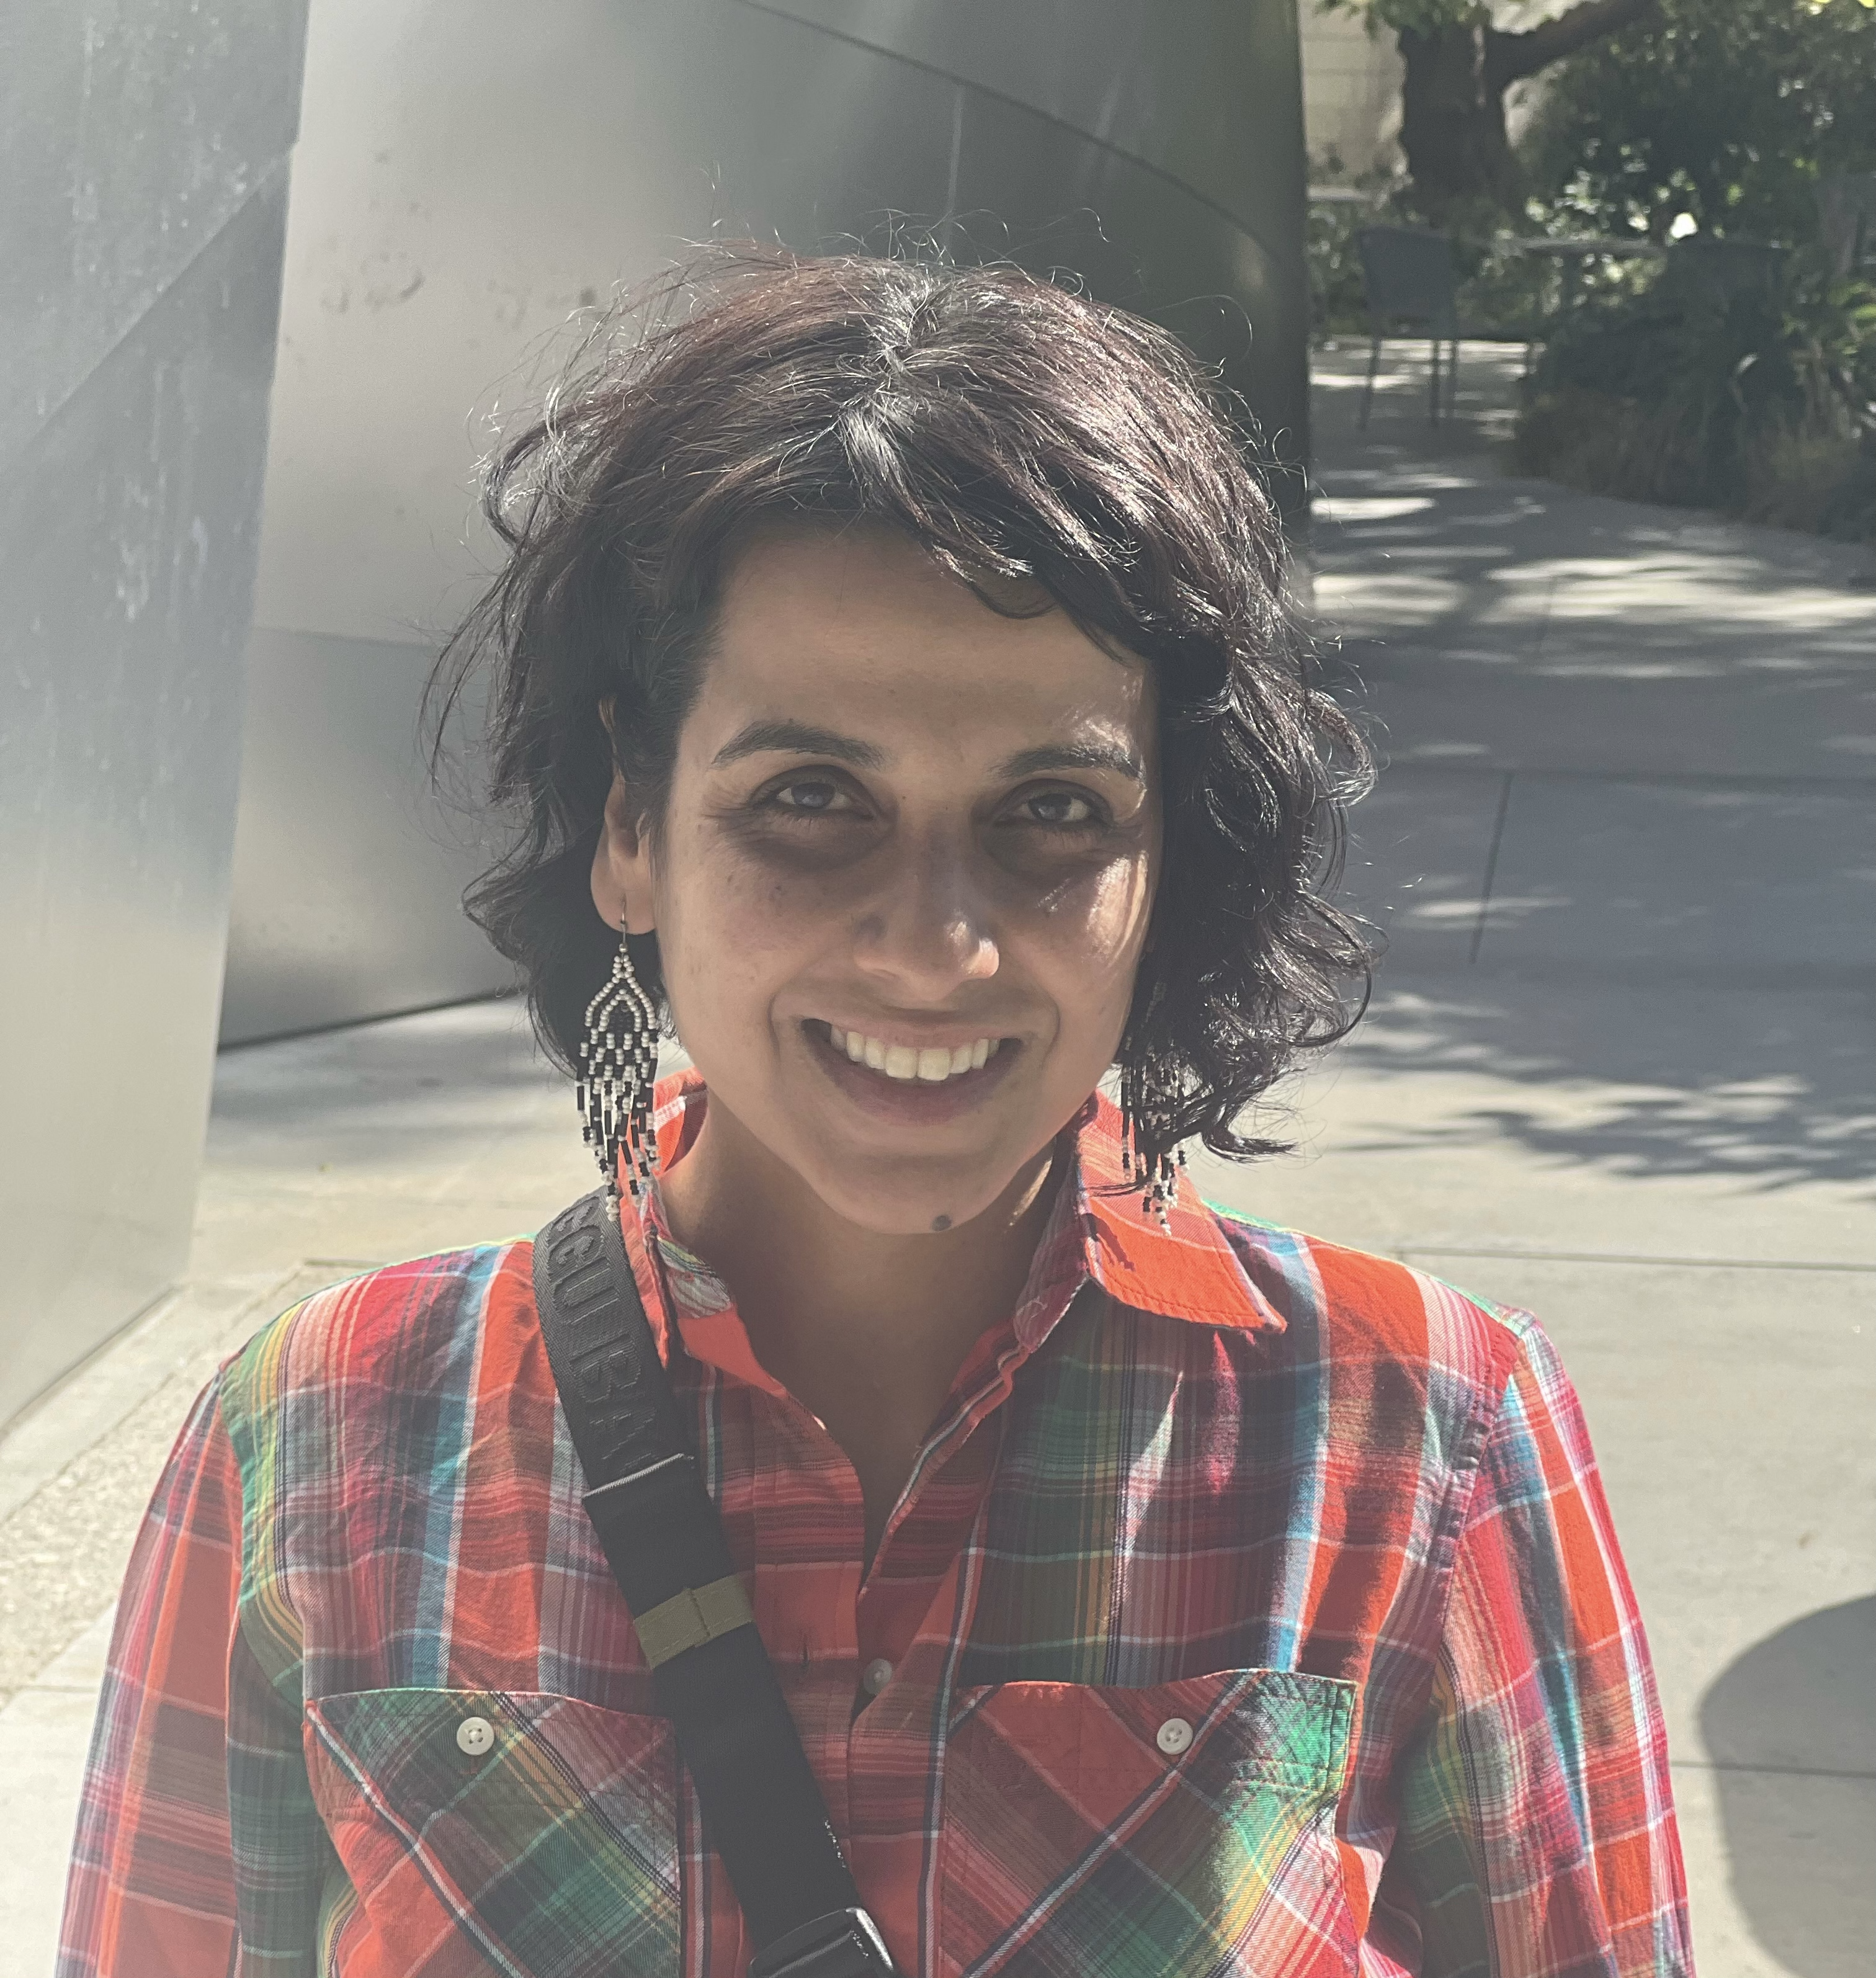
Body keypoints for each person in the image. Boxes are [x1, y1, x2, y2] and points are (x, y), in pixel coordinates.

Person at [58, 251, 1692, 1978]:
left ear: (1170, 860)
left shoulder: (1424, 1445)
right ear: (633, 820)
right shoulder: (319, 1442)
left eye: (1053, 808)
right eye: (811, 796)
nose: (937, 943)